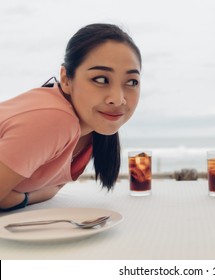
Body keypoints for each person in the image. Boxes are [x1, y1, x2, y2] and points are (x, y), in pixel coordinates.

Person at [0, 23, 142, 211]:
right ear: (66, 79)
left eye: (131, 82)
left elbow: (52, 189)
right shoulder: (55, 120)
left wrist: (20, 199)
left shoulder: (91, 128)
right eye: (100, 79)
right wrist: (17, 199)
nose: (118, 99)